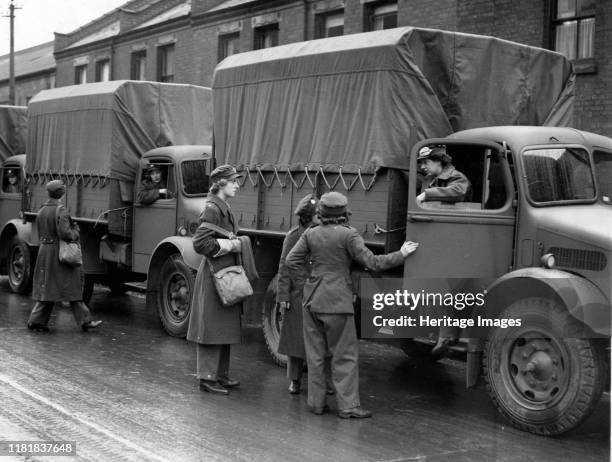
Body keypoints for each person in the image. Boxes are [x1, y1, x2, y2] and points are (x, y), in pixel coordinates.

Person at [286, 191, 419, 418]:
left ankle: (316, 404)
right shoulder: (349, 235)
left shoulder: (311, 234)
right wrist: (402, 254)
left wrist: (307, 283)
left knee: (315, 355)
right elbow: (374, 263)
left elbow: (291, 261)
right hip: (338, 302)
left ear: (322, 212)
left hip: (313, 301)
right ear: (343, 213)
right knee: (344, 355)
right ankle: (348, 406)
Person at [187, 165, 252, 395]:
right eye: (234, 181)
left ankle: (220, 374)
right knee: (211, 326)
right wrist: (229, 245)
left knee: (224, 325)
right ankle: (206, 377)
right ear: (221, 183)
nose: (237, 185)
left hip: (225, 274)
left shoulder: (223, 207)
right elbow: (200, 243)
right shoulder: (213, 208)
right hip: (215, 273)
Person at [416, 146, 473, 355]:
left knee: (453, 291)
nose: (422, 167)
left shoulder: (457, 178)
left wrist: (427, 195)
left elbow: (459, 192)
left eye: (426, 162)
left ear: (439, 161)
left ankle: (447, 336)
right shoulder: (429, 180)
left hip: (457, 241)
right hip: (438, 239)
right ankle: (443, 335)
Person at [26, 180, 102, 333]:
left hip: (45, 252)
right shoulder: (61, 210)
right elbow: (66, 234)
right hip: (59, 255)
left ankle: (35, 321)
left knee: (48, 289)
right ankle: (85, 321)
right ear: (61, 193)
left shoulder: (41, 210)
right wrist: (76, 231)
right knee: (73, 287)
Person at [276, 194, 319, 394]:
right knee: (296, 342)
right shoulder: (294, 236)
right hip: (298, 294)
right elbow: (284, 267)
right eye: (317, 214)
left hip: (318, 292)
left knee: (319, 339)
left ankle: (320, 381)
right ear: (308, 217)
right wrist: (283, 297)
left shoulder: (320, 233)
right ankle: (295, 380)